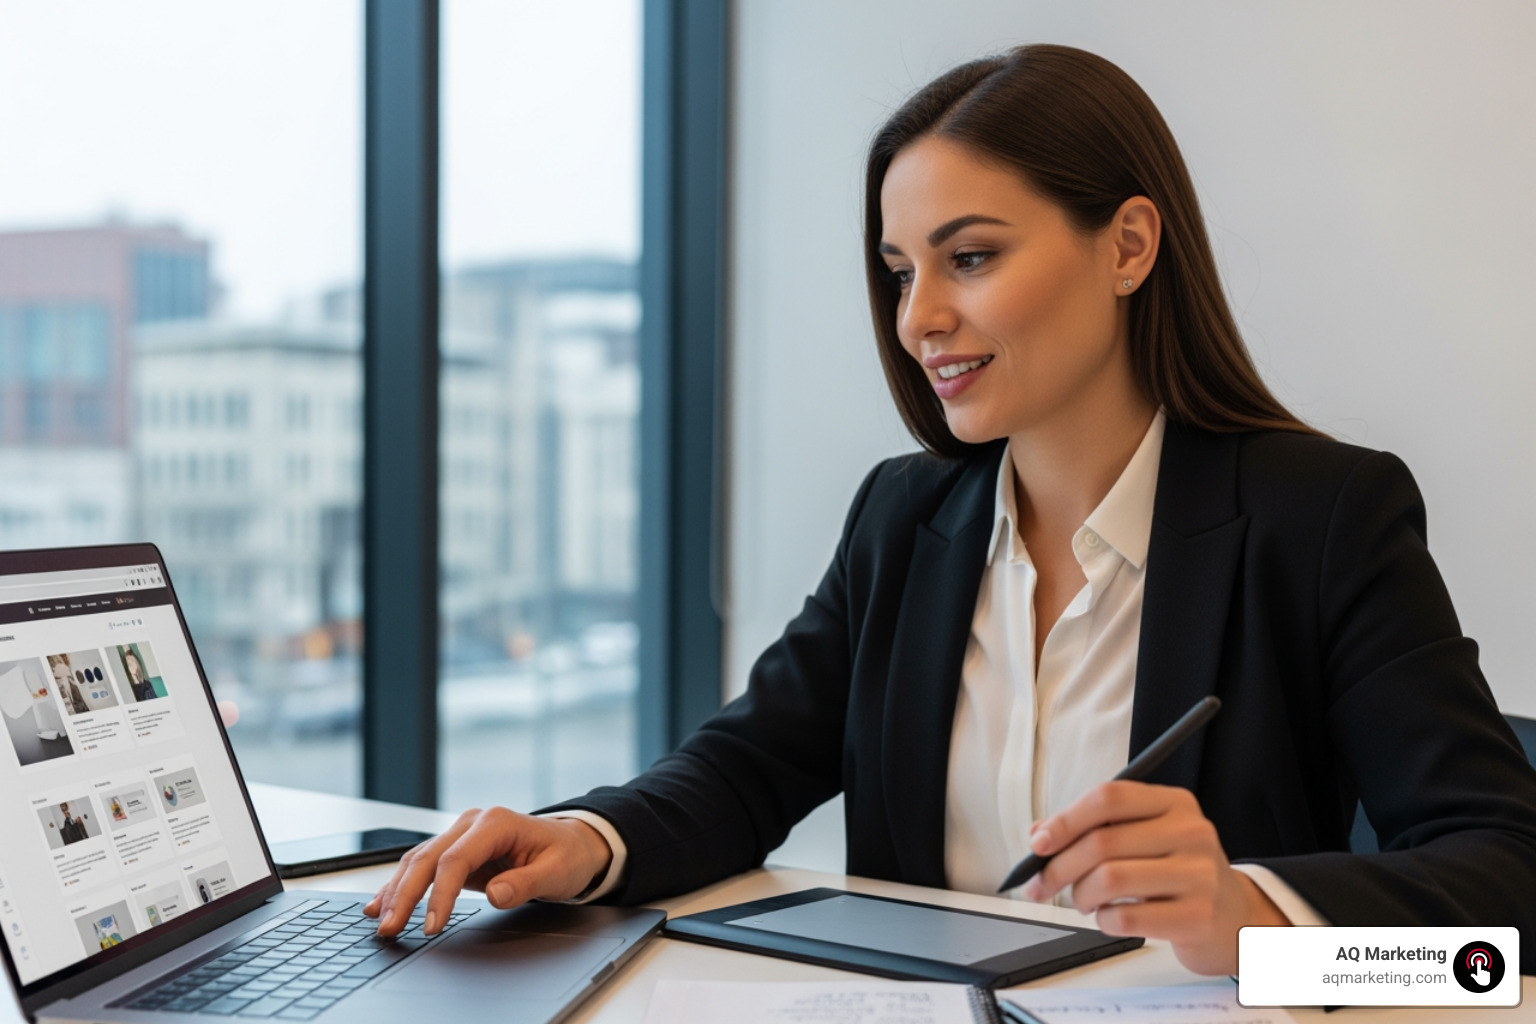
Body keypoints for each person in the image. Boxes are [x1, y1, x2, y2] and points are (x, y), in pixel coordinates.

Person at [366, 44, 1536, 974]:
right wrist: (586, 841)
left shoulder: (1323, 517)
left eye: (968, 257)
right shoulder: (904, 518)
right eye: (898, 268)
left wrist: (1253, 919)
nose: (917, 315)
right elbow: (746, 767)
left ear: (1128, 245)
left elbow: (1505, 908)